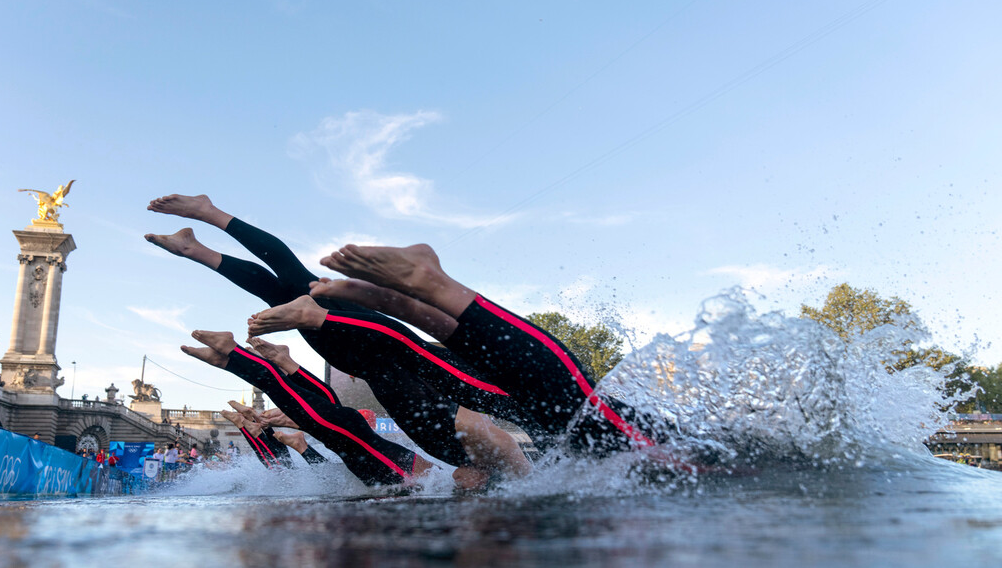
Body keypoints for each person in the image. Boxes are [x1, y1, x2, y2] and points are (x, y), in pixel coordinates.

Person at [147, 194, 531, 482]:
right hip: (396, 356)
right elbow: (490, 434)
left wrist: (468, 479)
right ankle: (209, 215)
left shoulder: (462, 448)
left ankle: (194, 248)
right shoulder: (492, 438)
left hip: (376, 368)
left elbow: (466, 467)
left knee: (285, 294)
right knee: (301, 285)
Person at [303, 242, 667, 458]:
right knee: (578, 409)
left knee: (565, 412)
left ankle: (403, 297)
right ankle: (434, 285)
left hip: (544, 427)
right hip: (655, 443)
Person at [183, 329, 433, 487]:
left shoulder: (417, 477)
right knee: (280, 390)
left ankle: (244, 361)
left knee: (297, 401)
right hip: (355, 433)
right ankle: (233, 352)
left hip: (353, 439)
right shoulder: (433, 480)